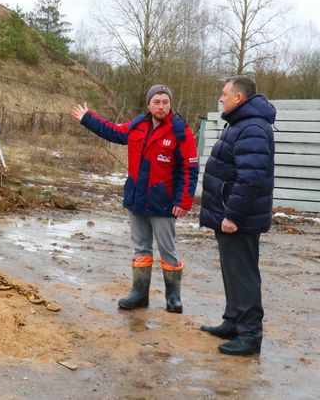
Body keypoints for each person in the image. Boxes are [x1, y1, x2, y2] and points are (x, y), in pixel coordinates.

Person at [71, 85, 199, 313]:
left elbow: (189, 169)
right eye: (157, 102)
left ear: (170, 104)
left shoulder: (180, 131)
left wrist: (184, 201)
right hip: (137, 197)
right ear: (149, 105)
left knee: (167, 249)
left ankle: (173, 297)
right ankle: (139, 294)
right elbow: (112, 131)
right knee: (140, 248)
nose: (161, 106)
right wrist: (87, 118)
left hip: (164, 202)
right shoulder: (137, 125)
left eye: (165, 102)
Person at [199, 76, 275, 356]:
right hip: (230, 215)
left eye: (224, 94)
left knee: (243, 275)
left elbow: (250, 179)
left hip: (239, 218)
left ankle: (250, 335)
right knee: (233, 271)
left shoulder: (253, 127)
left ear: (238, 98)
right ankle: (233, 321)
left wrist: (232, 215)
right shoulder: (242, 124)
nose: (221, 98)